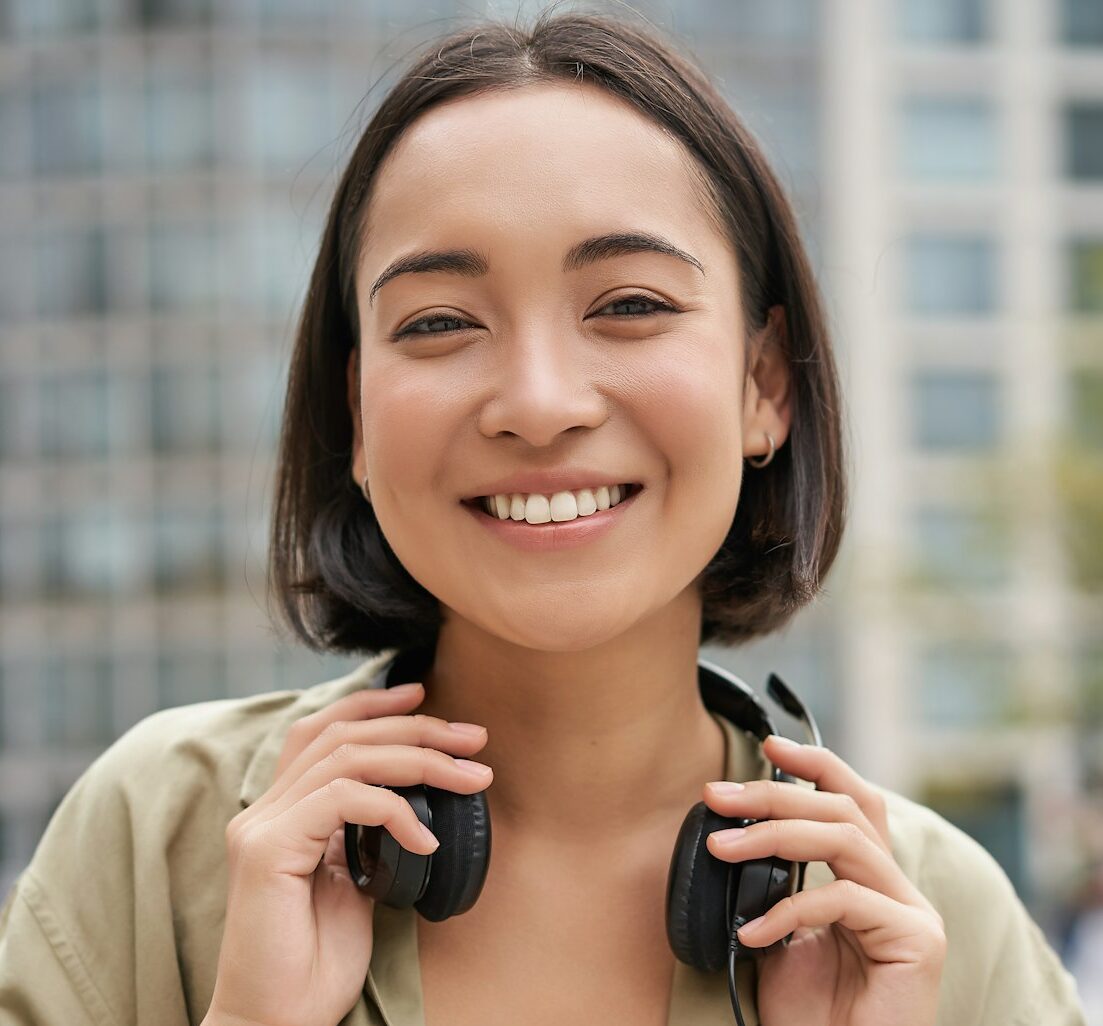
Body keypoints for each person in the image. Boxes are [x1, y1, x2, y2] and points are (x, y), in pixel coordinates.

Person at [0, 7, 1089, 1026]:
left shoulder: (929, 918)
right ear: (358, 419)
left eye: (627, 306)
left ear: (764, 384)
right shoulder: (161, 836)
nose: (536, 403)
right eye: (436, 322)